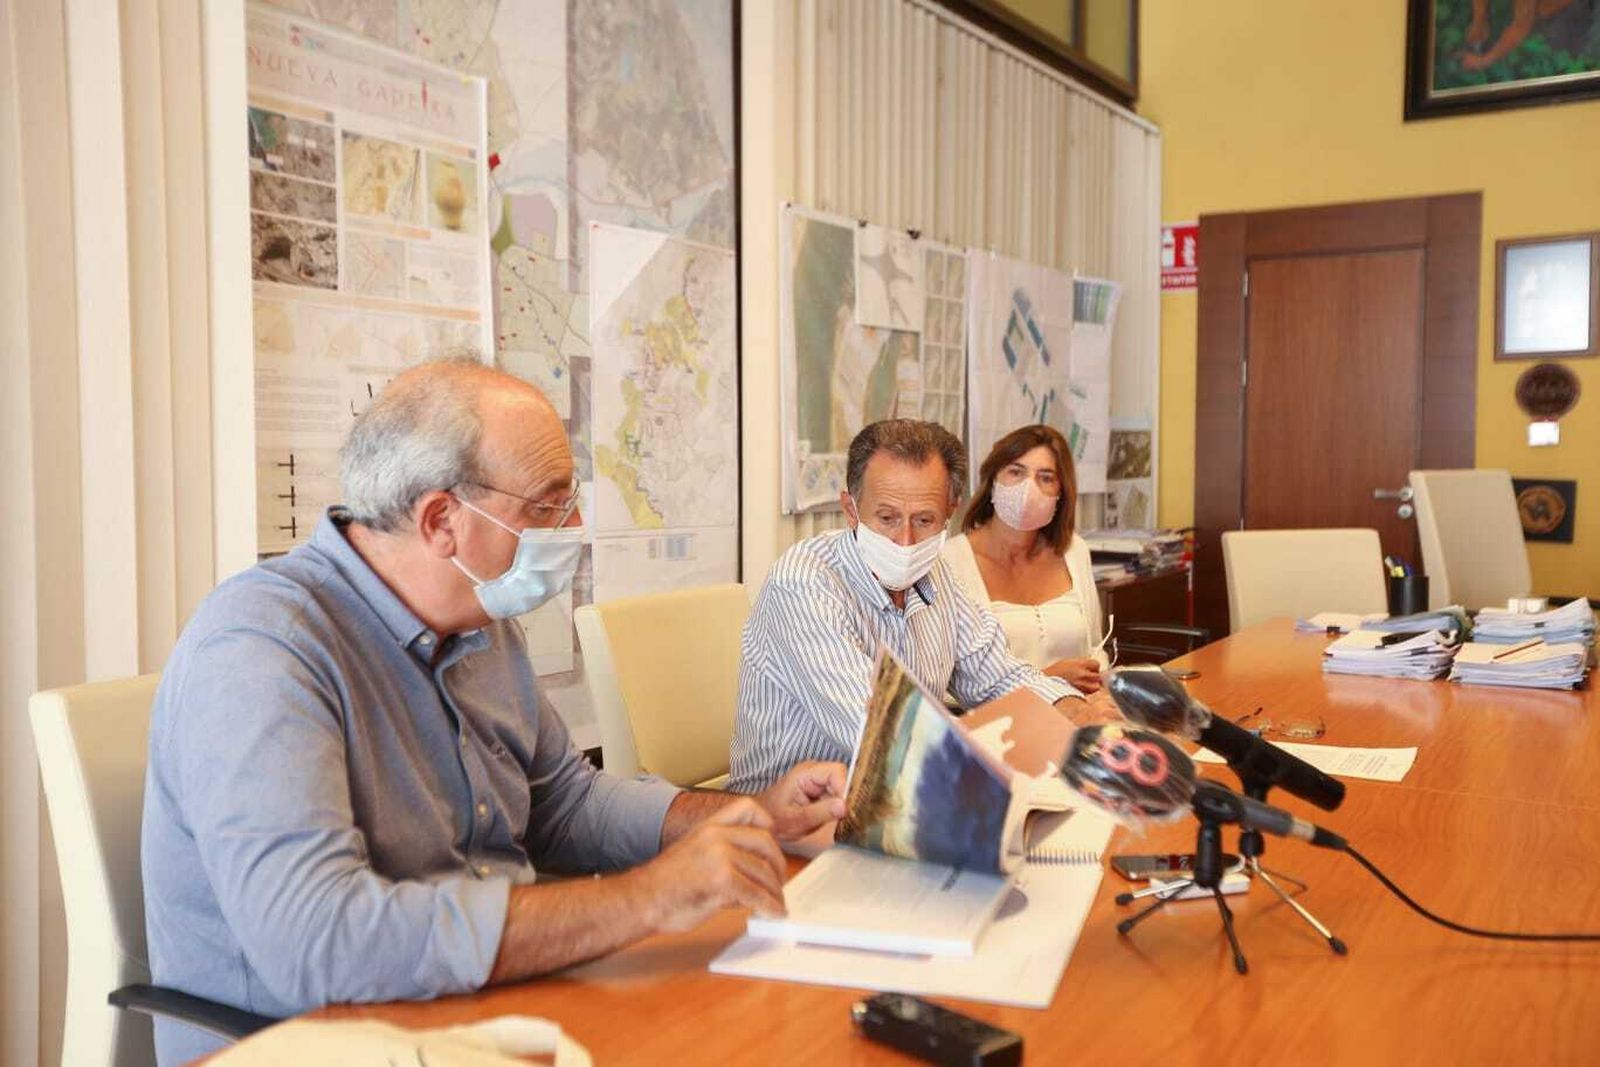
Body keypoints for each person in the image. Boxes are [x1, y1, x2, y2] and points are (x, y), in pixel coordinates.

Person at [142, 358, 846, 1065]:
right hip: (319, 1035)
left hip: (485, 1003)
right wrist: (648, 899)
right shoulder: (264, 647)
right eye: (546, 507)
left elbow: (564, 804)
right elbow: (318, 939)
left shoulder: (480, 618)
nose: (572, 528)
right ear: (442, 519)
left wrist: (744, 814)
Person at [729, 419, 1114, 794]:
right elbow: (884, 733)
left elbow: (997, 676)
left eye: (925, 520)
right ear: (851, 509)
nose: (906, 540)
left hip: (898, 804)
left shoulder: (937, 575)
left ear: (951, 511)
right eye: (887, 518)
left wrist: (1075, 710)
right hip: (786, 827)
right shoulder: (804, 582)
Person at [942, 424, 1108, 693]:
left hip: (1079, 716)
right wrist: (1047, 679)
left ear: (1060, 493)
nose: (1028, 488)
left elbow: (1095, 649)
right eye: (1016, 472)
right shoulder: (949, 561)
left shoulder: (1074, 551)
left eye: (1045, 477)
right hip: (997, 726)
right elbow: (949, 686)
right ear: (993, 480)